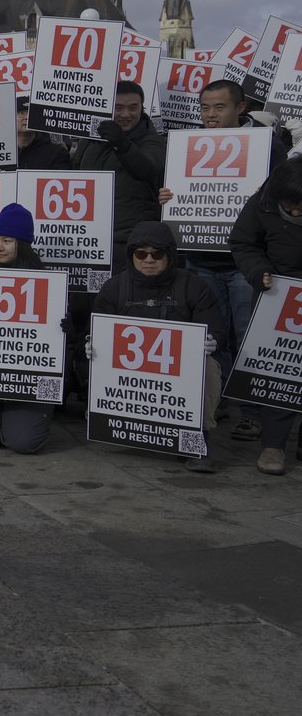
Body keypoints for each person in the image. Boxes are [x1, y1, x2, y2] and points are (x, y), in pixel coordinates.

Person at [157, 79, 282, 442]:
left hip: (245, 263)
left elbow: (284, 198)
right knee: (213, 337)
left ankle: (252, 414)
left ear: (240, 108)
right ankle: (219, 399)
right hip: (200, 260)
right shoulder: (187, 144)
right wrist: (167, 196)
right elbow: (172, 192)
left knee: (248, 337)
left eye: (219, 107)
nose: (210, 114)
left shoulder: (267, 145)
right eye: (205, 107)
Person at [91, 220, 225, 473]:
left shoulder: (194, 285)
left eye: (157, 253)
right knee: (93, 357)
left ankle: (197, 437)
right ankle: (112, 421)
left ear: (170, 255)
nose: (149, 260)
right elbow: (97, 330)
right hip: (130, 370)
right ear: (131, 256)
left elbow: (216, 328)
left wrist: (213, 340)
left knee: (208, 366)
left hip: (179, 368)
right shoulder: (114, 287)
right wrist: (92, 344)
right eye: (141, 254)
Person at [0, 204, 64, 455]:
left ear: (22, 244)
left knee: (23, 442)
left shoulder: (46, 282)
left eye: (7, 240)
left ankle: (17, 421)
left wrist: (61, 326)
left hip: (26, 380)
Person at [230, 157, 302, 475]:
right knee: (279, 369)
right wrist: (258, 271)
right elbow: (243, 242)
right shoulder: (262, 201)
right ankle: (273, 445)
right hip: (278, 293)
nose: (295, 214)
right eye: (289, 207)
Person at [72, 80, 166, 270]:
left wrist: (121, 144)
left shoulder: (153, 141)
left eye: (133, 108)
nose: (125, 114)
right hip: (91, 238)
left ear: (142, 108)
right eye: (119, 108)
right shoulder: (90, 141)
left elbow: (147, 168)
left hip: (131, 241)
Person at [16, 97, 72, 169]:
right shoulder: (3, 153)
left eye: (31, 113)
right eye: (21, 113)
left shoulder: (56, 153)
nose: (27, 117)